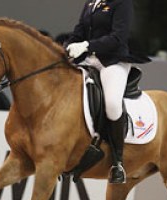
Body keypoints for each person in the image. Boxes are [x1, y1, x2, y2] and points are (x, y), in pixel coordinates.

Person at [64, 0, 150, 184]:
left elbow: (118, 37)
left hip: (112, 61)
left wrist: (87, 45)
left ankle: (118, 162)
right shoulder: (92, 3)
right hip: (87, 60)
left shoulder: (122, 3)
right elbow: (79, 30)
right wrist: (66, 47)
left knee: (111, 104)